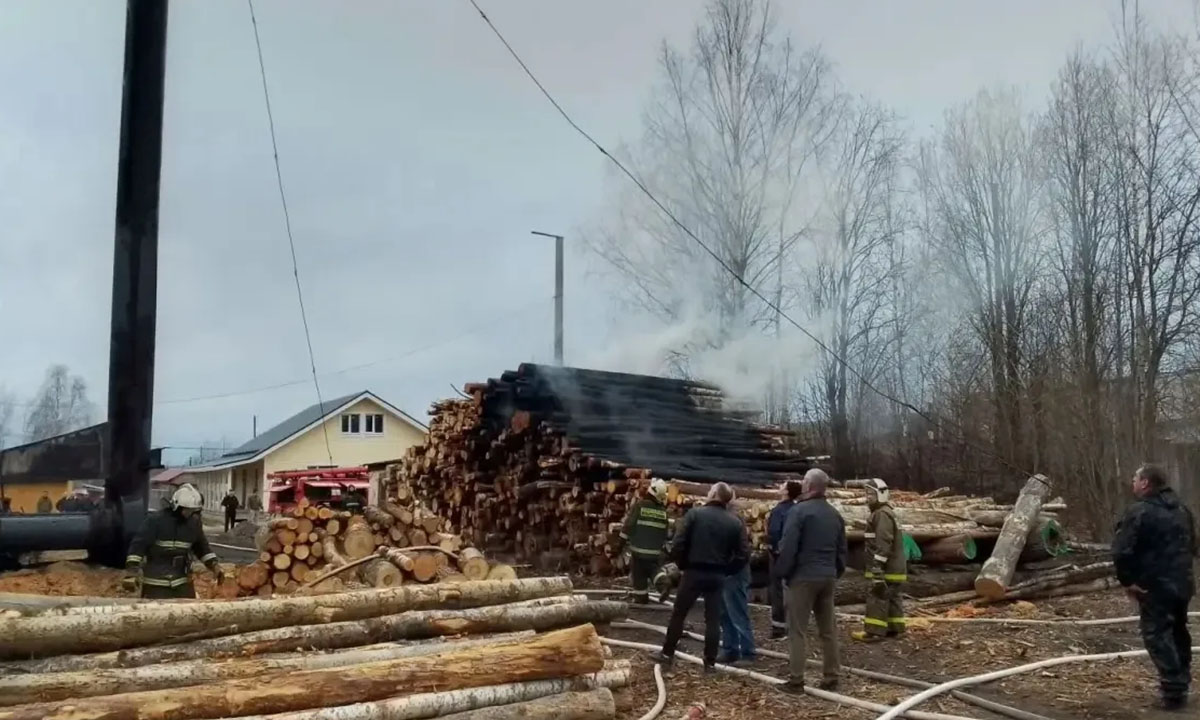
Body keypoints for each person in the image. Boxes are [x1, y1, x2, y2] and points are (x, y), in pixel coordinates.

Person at [1113, 464, 1196, 711]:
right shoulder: (1183, 510)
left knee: (1158, 634)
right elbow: (1193, 545)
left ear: (1145, 483)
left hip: (1154, 585)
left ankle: (1174, 690)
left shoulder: (1139, 511)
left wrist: (1127, 580)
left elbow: (1121, 551)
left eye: (1135, 478)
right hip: (1182, 583)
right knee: (1178, 631)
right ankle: (1181, 683)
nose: (1132, 482)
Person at [651, 482, 749, 672]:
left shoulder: (695, 514)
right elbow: (743, 554)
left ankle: (667, 654)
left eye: (711, 490)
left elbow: (679, 543)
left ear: (714, 494)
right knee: (713, 619)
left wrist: (682, 564)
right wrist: (727, 570)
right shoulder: (734, 522)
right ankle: (710, 663)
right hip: (717, 575)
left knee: (679, 614)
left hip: (693, 571)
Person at [773, 468, 847, 693]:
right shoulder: (835, 514)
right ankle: (832, 677)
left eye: (804, 481)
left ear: (809, 485)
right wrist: (835, 572)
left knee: (797, 630)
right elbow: (842, 550)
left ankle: (796, 680)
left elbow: (788, 546)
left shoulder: (799, 512)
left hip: (803, 577)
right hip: (827, 576)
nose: (802, 484)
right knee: (828, 630)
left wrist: (783, 572)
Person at [123, 483, 223, 599]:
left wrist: (214, 566)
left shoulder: (193, 524)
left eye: (193, 511)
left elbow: (202, 548)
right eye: (187, 510)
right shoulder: (155, 521)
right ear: (176, 506)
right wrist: (132, 571)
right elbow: (138, 546)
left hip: (182, 583)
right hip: (156, 583)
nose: (189, 514)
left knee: (188, 609)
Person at [853, 478, 907, 642]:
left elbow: (883, 542)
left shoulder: (881, 514)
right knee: (892, 597)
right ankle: (894, 629)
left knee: (877, 596)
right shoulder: (887, 512)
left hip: (886, 567)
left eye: (871, 494)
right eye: (867, 493)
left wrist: (877, 565)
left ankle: (873, 632)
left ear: (881, 494)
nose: (867, 497)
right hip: (895, 566)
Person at [620, 478, 671, 604]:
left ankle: (641, 597)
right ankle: (664, 583)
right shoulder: (663, 512)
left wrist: (620, 543)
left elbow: (629, 525)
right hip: (654, 552)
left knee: (639, 573)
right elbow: (665, 533)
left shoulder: (640, 506)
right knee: (653, 570)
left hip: (638, 551)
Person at [767, 480, 803, 639]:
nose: (780, 486)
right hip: (795, 555)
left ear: (787, 492)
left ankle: (778, 628)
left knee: (777, 591)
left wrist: (773, 549)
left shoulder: (779, 510)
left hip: (779, 556)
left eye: (783, 485)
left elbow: (775, 532)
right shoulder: (797, 509)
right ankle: (793, 625)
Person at [718, 545, 756, 664]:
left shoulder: (736, 532)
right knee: (725, 614)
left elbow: (742, 552)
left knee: (737, 613)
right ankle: (730, 649)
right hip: (725, 569)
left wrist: (730, 568)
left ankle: (747, 652)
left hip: (734, 571)